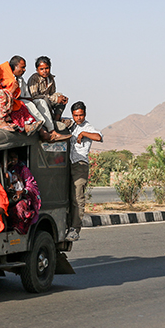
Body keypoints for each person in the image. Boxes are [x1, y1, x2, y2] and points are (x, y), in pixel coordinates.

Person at [64, 101, 102, 241]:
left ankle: (75, 229)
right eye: (76, 115)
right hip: (67, 164)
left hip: (80, 164)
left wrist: (84, 133)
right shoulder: (71, 125)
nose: (78, 118)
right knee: (66, 196)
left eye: (81, 115)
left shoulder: (88, 127)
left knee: (77, 197)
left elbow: (98, 137)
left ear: (84, 114)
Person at [0, 56, 44, 135]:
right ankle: (41, 130)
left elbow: (26, 95)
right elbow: (4, 95)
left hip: (15, 102)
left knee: (40, 102)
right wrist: (14, 90)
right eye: (22, 67)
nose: (24, 70)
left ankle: (44, 127)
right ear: (15, 66)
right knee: (25, 104)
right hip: (6, 105)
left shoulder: (19, 79)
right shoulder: (4, 79)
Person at [26, 55, 69, 135]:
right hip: (38, 103)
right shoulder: (34, 78)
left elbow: (52, 93)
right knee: (44, 100)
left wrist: (59, 97)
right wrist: (55, 98)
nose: (44, 71)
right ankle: (51, 124)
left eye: (46, 68)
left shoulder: (51, 78)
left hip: (48, 100)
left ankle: (56, 120)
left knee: (62, 99)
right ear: (37, 70)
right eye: (41, 69)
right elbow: (34, 96)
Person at [5, 150, 41, 234]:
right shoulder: (6, 169)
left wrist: (22, 191)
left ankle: (20, 226)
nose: (13, 159)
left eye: (14, 157)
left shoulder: (23, 169)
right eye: (10, 158)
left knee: (19, 207)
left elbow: (31, 185)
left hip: (24, 197)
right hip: (9, 195)